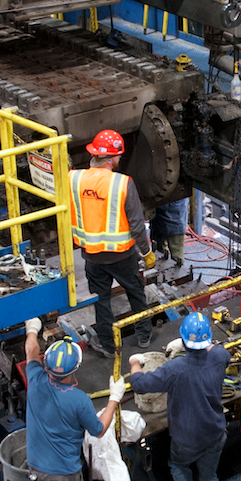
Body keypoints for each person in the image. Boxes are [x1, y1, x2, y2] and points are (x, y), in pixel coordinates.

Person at [23, 317, 128, 481]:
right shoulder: (79, 400)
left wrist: (32, 329)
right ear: (76, 369)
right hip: (65, 475)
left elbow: (30, 350)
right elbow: (99, 429)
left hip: (36, 470)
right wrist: (114, 398)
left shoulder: (35, 379)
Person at [126, 313, 232, 481]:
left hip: (186, 439)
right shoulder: (219, 356)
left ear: (184, 342)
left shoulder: (175, 369)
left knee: (178, 466)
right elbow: (217, 350)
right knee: (209, 479)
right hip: (215, 433)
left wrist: (134, 363)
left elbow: (141, 384)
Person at [69, 129, 156, 357]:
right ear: (111, 158)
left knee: (102, 302)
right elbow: (137, 225)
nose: (120, 160)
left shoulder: (73, 178)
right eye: (118, 156)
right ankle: (144, 337)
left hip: (91, 257)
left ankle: (109, 346)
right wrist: (146, 252)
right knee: (136, 293)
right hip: (122, 256)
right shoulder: (122, 183)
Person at [151, 197, 189, 268]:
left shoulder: (179, 191)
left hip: (175, 224)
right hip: (158, 222)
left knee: (177, 260)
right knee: (158, 253)